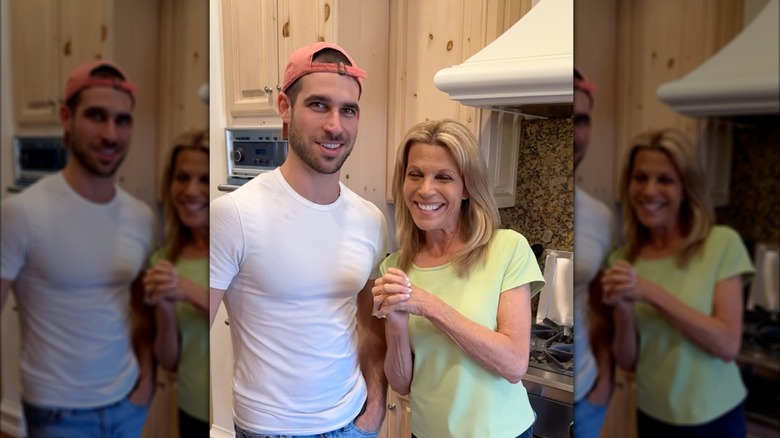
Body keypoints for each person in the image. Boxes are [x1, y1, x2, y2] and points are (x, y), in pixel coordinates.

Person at [209, 42, 388, 437]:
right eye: (319, 105)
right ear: (286, 109)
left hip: (354, 421)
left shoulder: (370, 220)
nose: (335, 126)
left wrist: (374, 406)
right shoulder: (234, 215)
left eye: (348, 110)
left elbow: (372, 325)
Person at [0, 60, 157, 437]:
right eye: (96, 116)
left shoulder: (141, 217)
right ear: (66, 118)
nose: (110, 133)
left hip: (127, 404)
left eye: (122, 121)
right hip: (58, 414)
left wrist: (148, 377)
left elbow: (143, 311)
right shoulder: (21, 214)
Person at [372, 119, 545, 438]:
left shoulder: (507, 248)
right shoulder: (395, 267)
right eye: (415, 174)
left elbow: (514, 364)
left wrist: (429, 306)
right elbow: (401, 383)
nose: (425, 189)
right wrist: (395, 323)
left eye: (444, 177)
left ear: (466, 187)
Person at [602, 128, 754, 437]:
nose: (649, 190)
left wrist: (649, 291)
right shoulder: (623, 258)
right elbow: (628, 361)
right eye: (640, 177)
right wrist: (622, 309)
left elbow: (727, 344)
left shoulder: (721, 244)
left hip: (717, 420)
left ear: (686, 188)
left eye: (665, 180)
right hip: (652, 416)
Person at [143, 129, 209, 437]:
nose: (191, 190)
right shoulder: (164, 260)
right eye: (182, 177)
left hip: (241, 411)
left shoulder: (238, 249)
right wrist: (166, 307)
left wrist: (186, 289)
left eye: (204, 180)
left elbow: (252, 320)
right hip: (192, 407)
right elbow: (169, 361)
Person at [572, 67, 617, 438]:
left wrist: (606, 377)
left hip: (586, 396)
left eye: (582, 119)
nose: (575, 131)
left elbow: (603, 304)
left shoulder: (600, 218)